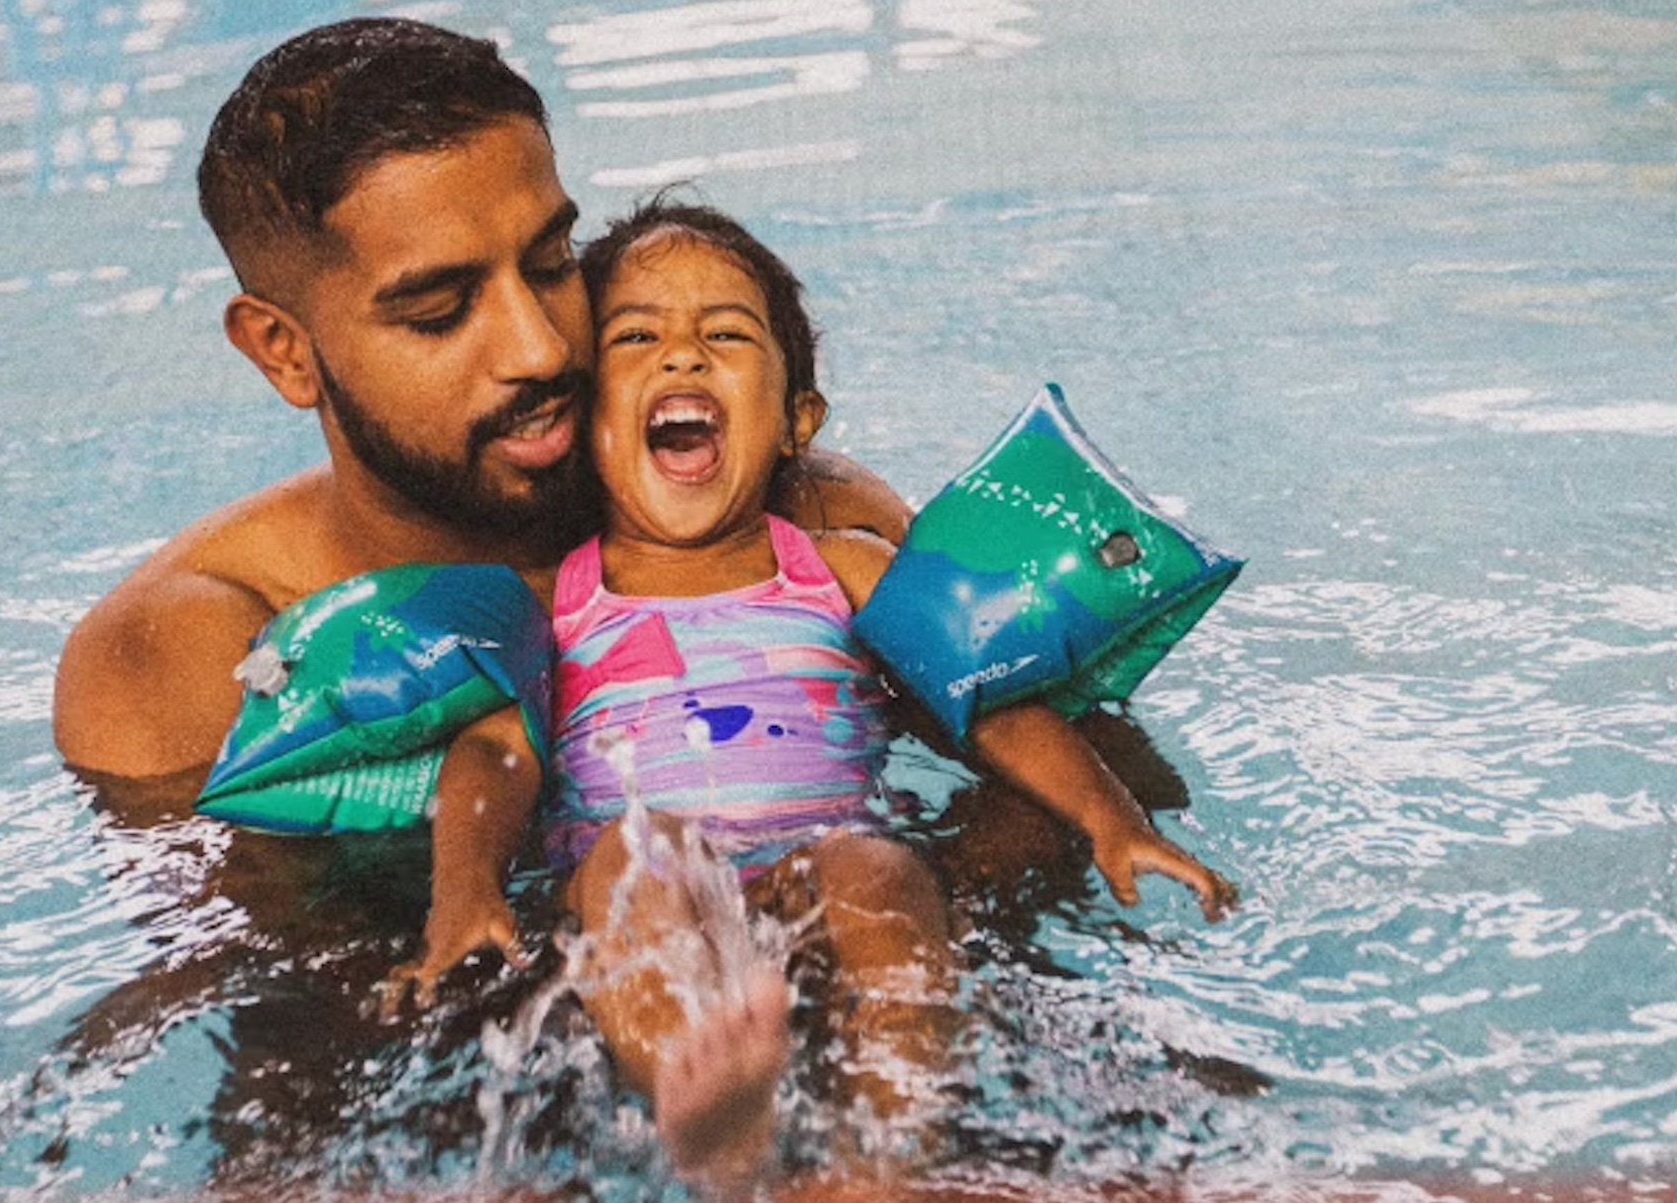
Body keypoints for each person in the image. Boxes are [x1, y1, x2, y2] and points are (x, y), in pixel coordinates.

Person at [389, 199, 1238, 1192]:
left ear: (797, 421)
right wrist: (464, 894)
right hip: (655, 892)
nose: (682, 358)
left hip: (818, 876)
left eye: (725, 336)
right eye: (636, 337)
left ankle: (881, 1158)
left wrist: (1109, 816)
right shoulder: (551, 606)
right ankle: (710, 1114)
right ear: (582, 425)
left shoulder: (840, 569)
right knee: (637, 853)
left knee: (876, 869)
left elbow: (979, 699)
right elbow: (492, 753)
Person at [51, 17, 908, 797]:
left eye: (549, 263)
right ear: (286, 351)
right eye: (440, 311)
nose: (539, 349)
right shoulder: (186, 655)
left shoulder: (802, 523)